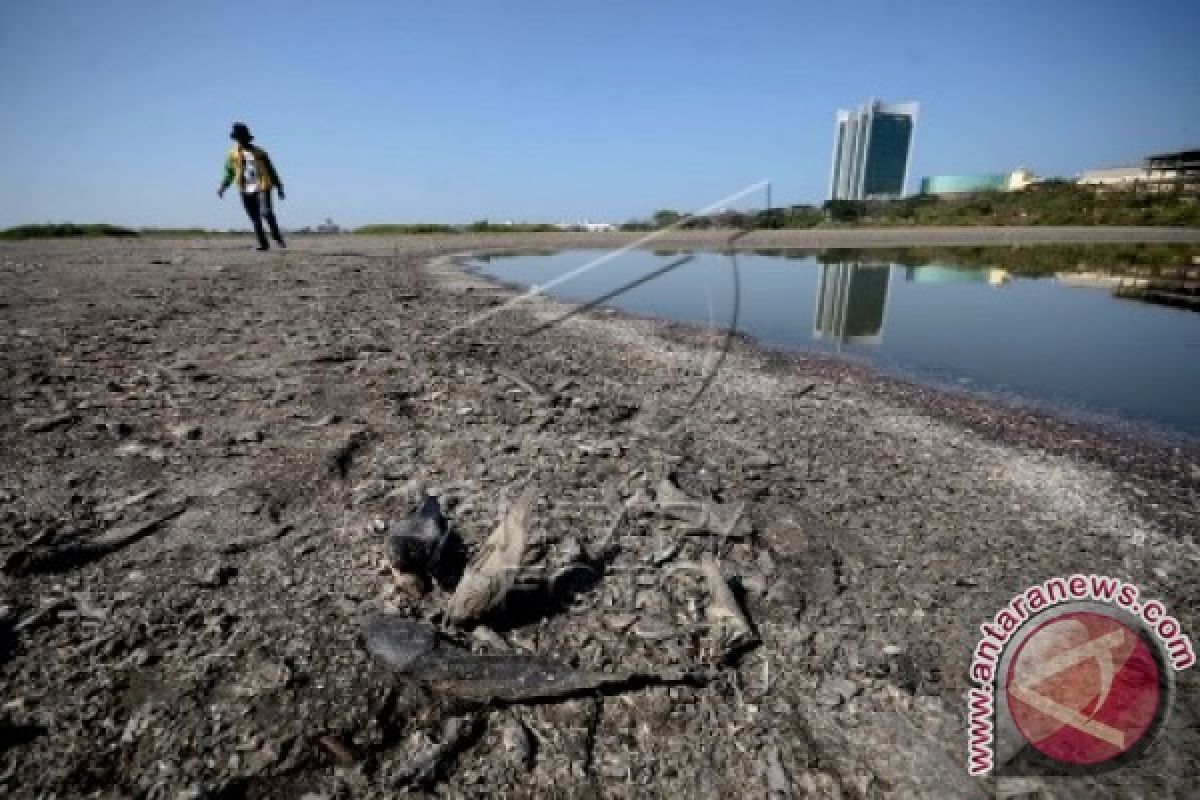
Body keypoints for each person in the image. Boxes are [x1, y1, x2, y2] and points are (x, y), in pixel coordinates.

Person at [218, 122, 286, 251]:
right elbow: (229, 172)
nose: (241, 140)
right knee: (255, 218)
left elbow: (271, 170)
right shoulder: (232, 154)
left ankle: (276, 236)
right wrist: (223, 187)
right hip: (244, 188)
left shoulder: (260, 152)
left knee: (266, 212)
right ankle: (263, 244)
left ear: (247, 137)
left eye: (243, 137)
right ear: (236, 139)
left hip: (262, 185)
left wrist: (279, 187)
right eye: (239, 138)